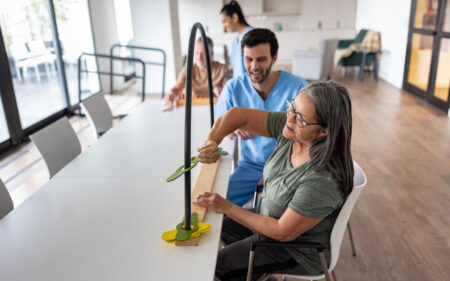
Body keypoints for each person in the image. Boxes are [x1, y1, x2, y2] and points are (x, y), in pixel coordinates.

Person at [194, 81, 354, 281]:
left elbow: (282, 232)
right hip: (268, 218)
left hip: (296, 250)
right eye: (292, 107)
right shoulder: (291, 129)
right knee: (215, 227)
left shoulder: (322, 179)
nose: (290, 118)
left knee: (216, 267)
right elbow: (237, 115)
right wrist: (212, 141)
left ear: (324, 131)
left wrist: (226, 206)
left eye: (301, 118)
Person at [215, 28, 308, 206]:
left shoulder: (298, 88)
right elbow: (220, 125)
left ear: (274, 58)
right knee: (216, 203)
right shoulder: (233, 88)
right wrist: (233, 126)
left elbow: (309, 140)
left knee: (267, 212)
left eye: (261, 59)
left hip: (288, 169)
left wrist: (275, 175)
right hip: (250, 168)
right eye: (248, 59)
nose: (254, 66)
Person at [164, 36, 227, 109]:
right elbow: (177, 87)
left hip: (214, 107)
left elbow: (228, 95)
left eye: (203, 54)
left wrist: (222, 93)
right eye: (196, 53)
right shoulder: (188, 69)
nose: (199, 57)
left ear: (212, 54)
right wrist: (171, 94)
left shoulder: (222, 69)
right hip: (193, 107)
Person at [220, 1, 253, 78]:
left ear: (234, 17)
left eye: (224, 22)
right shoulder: (236, 39)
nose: (224, 27)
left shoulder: (251, 35)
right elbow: (235, 65)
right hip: (239, 84)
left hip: (249, 86)